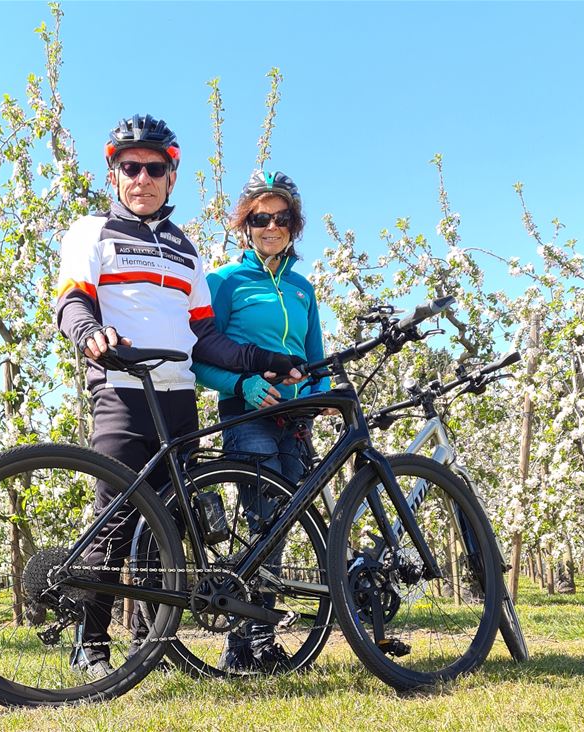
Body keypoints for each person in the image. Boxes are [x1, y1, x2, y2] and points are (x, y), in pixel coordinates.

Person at [56, 115, 300, 677]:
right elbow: (73, 300)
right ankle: (90, 645)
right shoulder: (90, 231)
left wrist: (268, 360)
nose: (141, 177)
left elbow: (208, 337)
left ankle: (151, 645)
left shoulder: (187, 252)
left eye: (154, 168)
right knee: (115, 522)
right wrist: (90, 333)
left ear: (171, 175)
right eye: (129, 167)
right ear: (114, 173)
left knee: (166, 528)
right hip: (121, 391)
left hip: (178, 399)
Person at [191, 169, 331, 672]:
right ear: (244, 225)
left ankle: (258, 639)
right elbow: (200, 357)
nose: (271, 226)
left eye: (282, 217)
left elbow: (316, 359)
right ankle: (245, 642)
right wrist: (242, 385)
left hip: (296, 419)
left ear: (295, 225)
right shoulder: (225, 282)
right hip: (248, 415)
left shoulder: (302, 289)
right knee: (260, 524)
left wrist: (320, 397)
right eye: (260, 217)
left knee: (284, 524)